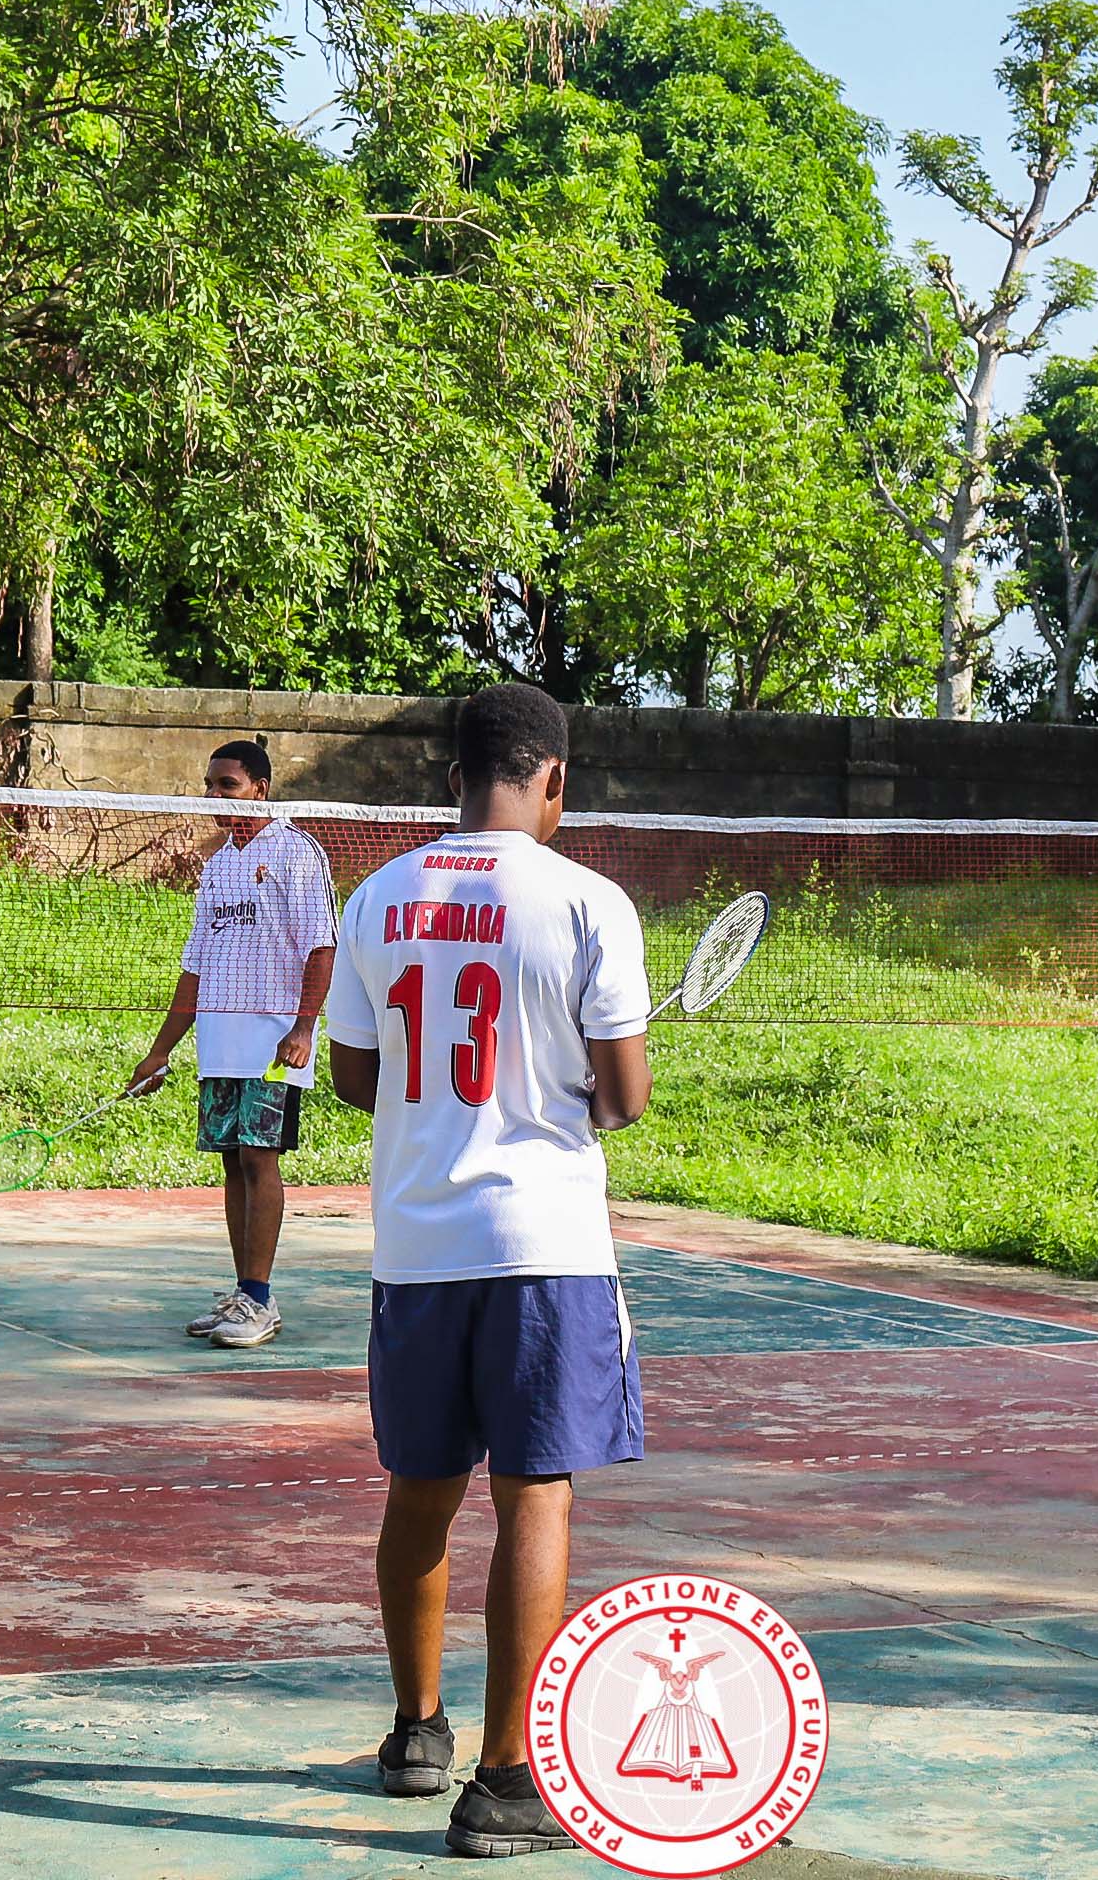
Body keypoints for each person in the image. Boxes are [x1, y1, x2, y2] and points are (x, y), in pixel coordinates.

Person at [325, 682, 653, 1859]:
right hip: (543, 1250)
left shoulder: (377, 894)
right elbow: (619, 1098)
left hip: (416, 1247)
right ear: (552, 778)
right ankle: (507, 1779)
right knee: (534, 1493)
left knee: (420, 1487)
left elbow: (356, 1078)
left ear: (450, 774)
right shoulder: (586, 902)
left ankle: (416, 1732)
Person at [131, 738, 339, 1348]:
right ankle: (243, 1295)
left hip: (275, 1038)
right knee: (230, 1160)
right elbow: (195, 964)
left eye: (228, 784)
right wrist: (161, 1048)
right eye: (211, 785)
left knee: (258, 1155)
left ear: (260, 789)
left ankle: (262, 1300)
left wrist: (304, 1027)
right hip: (219, 1038)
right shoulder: (218, 863)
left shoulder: (299, 854)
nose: (215, 795)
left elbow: (320, 946)